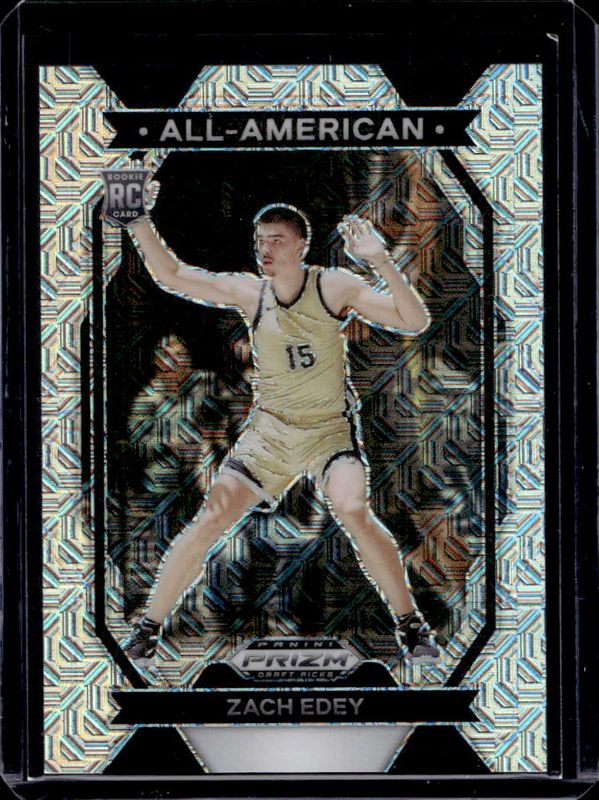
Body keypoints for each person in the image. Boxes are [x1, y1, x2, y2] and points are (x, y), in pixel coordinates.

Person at [121, 188, 440, 669]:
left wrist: (380, 261)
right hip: (269, 434)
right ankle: (147, 629)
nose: (264, 250)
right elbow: (171, 275)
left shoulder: (332, 285)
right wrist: (136, 220)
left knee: (352, 508)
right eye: (259, 241)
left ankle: (411, 626)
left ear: (300, 246)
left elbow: (414, 321)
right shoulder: (250, 293)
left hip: (328, 431)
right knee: (212, 516)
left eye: (275, 240)